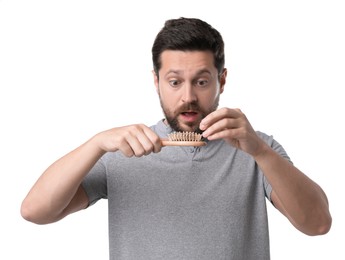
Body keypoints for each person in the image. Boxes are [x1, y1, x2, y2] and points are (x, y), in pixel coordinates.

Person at [21, 17, 332, 260]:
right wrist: (96, 143)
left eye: (201, 81)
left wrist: (261, 152)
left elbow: (318, 224)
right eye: (174, 82)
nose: (188, 97)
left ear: (221, 80)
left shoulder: (258, 149)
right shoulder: (123, 151)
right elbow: (34, 211)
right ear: (156, 82)